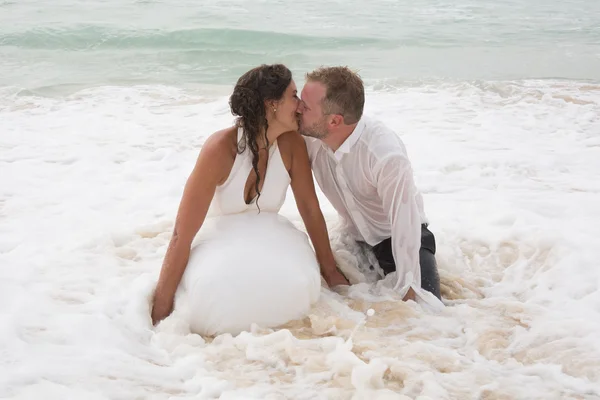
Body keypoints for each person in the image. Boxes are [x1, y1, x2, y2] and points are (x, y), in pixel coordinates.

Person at [151, 64, 349, 334]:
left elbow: (310, 211)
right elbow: (181, 235)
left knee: (297, 288)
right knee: (210, 296)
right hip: (218, 246)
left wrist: (332, 272)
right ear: (272, 105)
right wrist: (159, 312)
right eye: (293, 96)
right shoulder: (220, 149)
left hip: (272, 242)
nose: (301, 105)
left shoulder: (293, 145)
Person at [296, 66, 443, 306]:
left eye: (305, 106)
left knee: (425, 311)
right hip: (352, 239)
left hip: (398, 239)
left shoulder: (384, 154)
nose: (297, 110)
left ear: (334, 120)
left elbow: (404, 221)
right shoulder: (310, 139)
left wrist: (408, 284)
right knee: (329, 305)